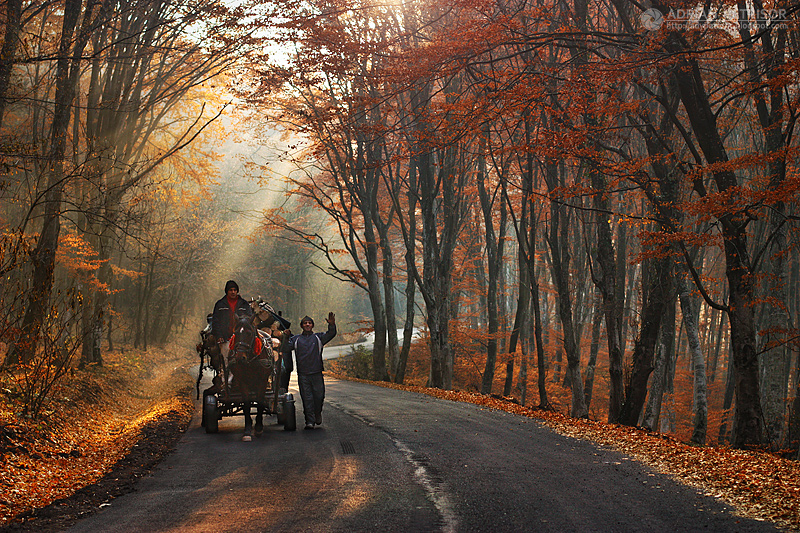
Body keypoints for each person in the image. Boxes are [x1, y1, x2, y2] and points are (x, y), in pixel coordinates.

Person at [283, 312, 336, 429]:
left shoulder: (319, 338)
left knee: (319, 396)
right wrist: (286, 337)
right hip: (303, 374)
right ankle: (309, 421)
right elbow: (286, 348)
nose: (307, 325)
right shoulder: (296, 339)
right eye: (305, 323)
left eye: (309, 323)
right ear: (301, 326)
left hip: (317, 373)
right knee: (307, 398)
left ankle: (317, 413)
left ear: (312, 325)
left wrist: (332, 325)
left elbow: (331, 334)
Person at [211, 280, 253, 367]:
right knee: (227, 360)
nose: (233, 292)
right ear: (227, 291)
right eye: (230, 290)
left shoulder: (244, 304)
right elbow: (215, 322)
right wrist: (219, 336)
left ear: (237, 291)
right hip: (225, 337)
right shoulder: (220, 304)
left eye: (234, 290)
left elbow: (249, 320)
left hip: (241, 338)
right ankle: (226, 377)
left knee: (242, 359)